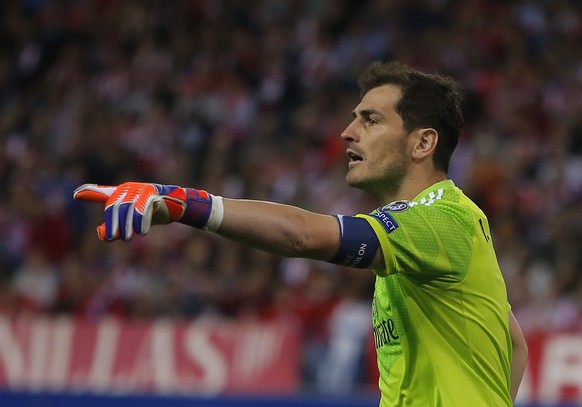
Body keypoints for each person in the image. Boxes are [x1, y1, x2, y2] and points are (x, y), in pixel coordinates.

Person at [74, 61, 528, 406]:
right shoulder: (434, 226)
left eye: (370, 120)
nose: (348, 132)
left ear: (423, 143)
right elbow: (514, 343)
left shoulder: (439, 220)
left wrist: (183, 203)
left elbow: (303, 236)